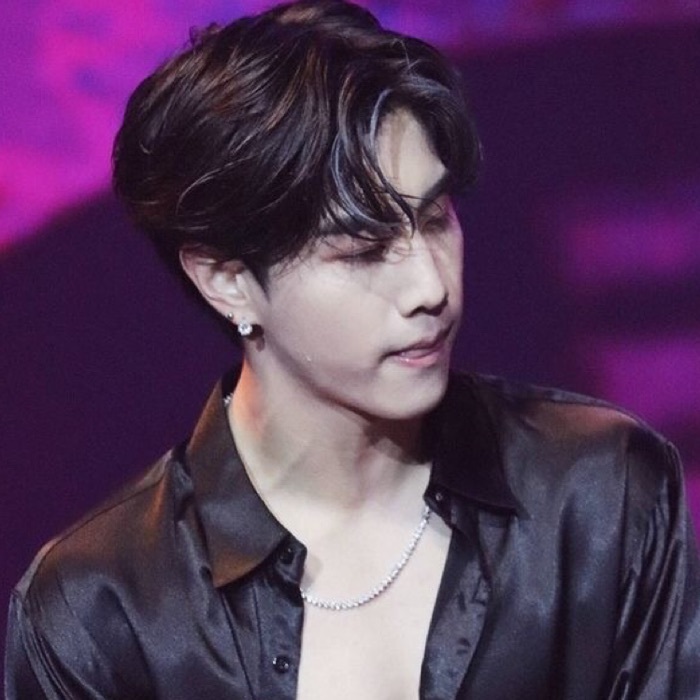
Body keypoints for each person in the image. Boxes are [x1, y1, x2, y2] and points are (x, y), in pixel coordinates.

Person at [5, 1, 700, 698]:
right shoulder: (103, 614)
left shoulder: (600, 494)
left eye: (435, 219)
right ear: (228, 281)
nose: (431, 287)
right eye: (364, 250)